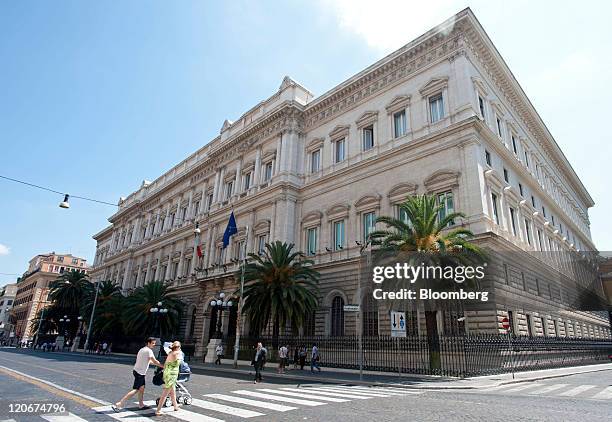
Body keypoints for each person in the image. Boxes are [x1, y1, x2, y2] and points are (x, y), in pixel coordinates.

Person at [112, 337, 163, 412]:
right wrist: (163, 366)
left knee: (141, 389)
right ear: (148, 343)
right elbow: (155, 361)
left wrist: (158, 365)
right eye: (153, 343)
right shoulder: (149, 351)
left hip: (136, 371)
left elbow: (149, 362)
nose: (154, 345)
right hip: (140, 373)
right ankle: (119, 404)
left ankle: (141, 405)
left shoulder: (142, 349)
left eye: (154, 343)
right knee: (136, 390)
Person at [155, 341, 183, 416]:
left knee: (172, 390)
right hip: (172, 374)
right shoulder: (176, 353)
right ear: (178, 347)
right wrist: (180, 355)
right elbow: (178, 363)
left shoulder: (170, 352)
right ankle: (158, 410)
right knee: (165, 392)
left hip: (167, 373)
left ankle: (175, 406)